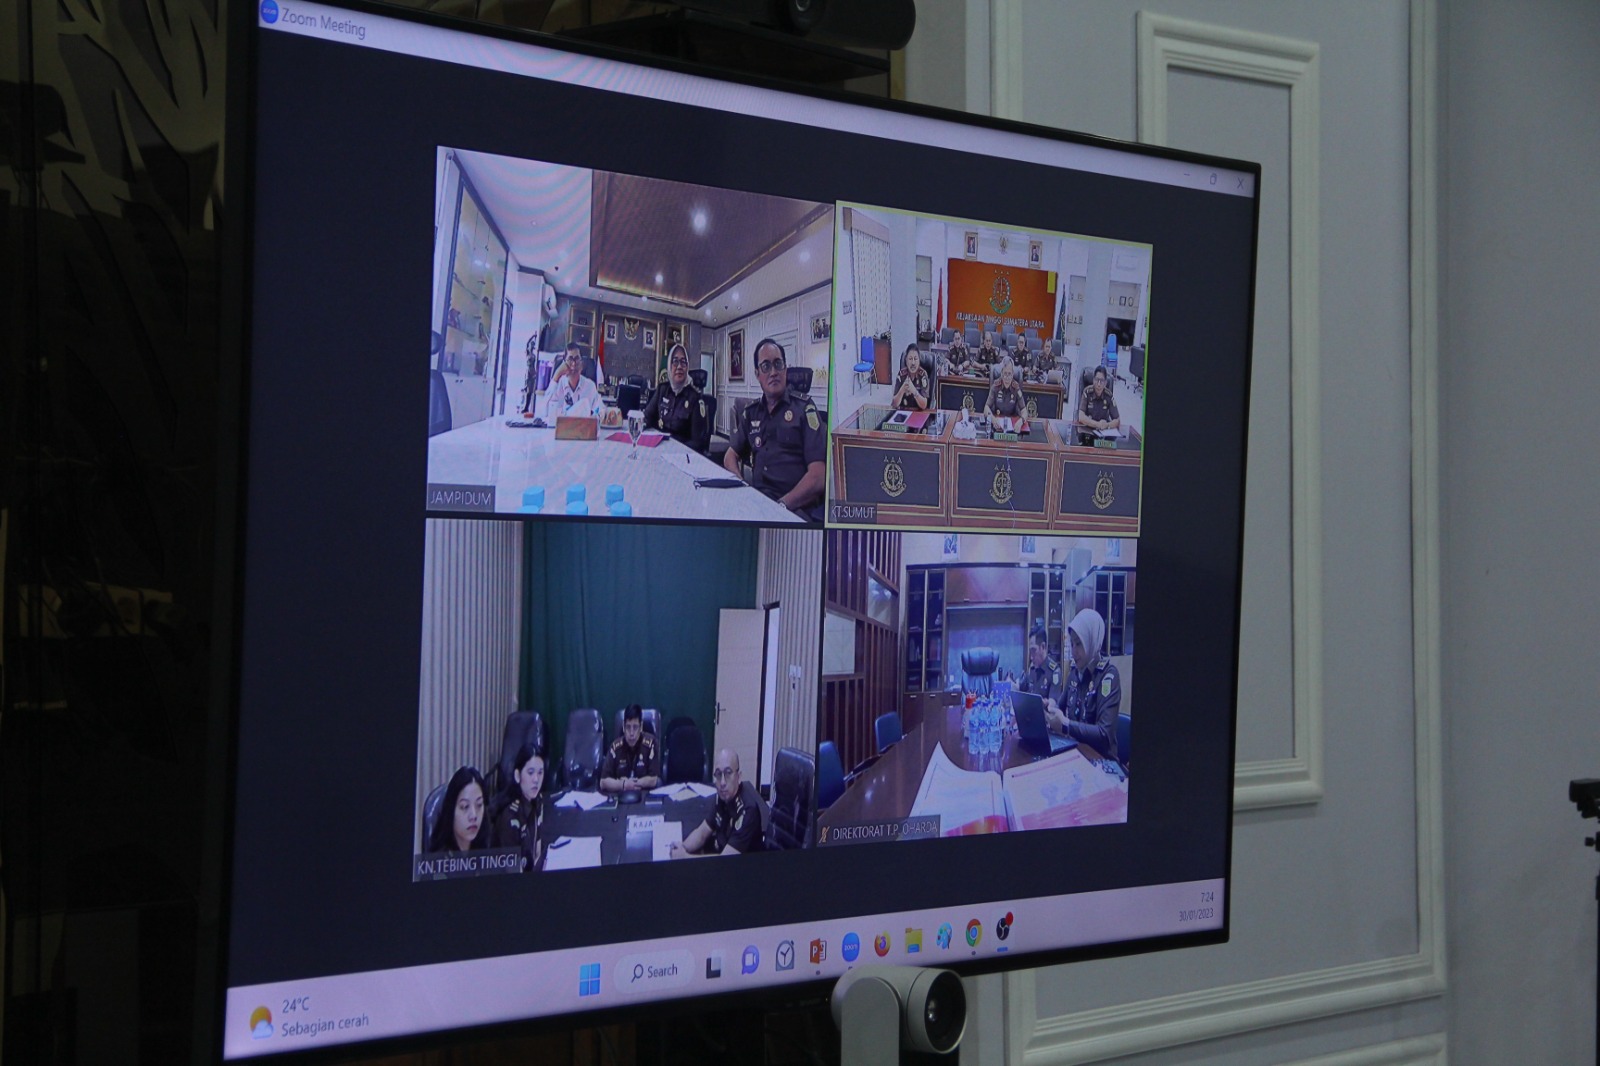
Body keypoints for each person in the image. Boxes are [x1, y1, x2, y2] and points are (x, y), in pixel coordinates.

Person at [723, 338, 825, 521]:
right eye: (766, 366)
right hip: (757, 503)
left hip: (794, 508)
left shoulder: (805, 409)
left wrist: (781, 506)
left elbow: (818, 476)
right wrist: (741, 486)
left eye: (778, 364)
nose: (773, 372)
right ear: (757, 374)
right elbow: (730, 456)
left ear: (785, 369)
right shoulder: (751, 413)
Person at [1044, 608, 1122, 763]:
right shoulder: (1074, 673)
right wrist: (1049, 708)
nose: (1074, 651)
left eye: (1079, 644)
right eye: (1072, 644)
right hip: (1077, 755)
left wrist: (1066, 725)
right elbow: (1060, 708)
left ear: (1092, 641)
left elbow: (1104, 734)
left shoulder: (1108, 676)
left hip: (1102, 761)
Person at [669, 749, 764, 857]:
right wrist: (683, 847)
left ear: (739, 777)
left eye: (728, 773)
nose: (722, 782)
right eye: (718, 774)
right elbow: (702, 832)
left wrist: (685, 857)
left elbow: (725, 860)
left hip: (741, 865)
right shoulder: (722, 797)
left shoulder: (748, 810)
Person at [642, 343, 710, 453]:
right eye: (675, 361)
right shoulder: (662, 390)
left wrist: (673, 450)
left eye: (683, 362)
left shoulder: (696, 399)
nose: (679, 367)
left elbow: (697, 443)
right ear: (669, 365)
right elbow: (647, 417)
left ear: (687, 367)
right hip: (658, 449)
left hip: (680, 455)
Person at [492, 744, 545, 871]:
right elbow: (512, 871)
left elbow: (537, 851)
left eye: (540, 773)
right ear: (517, 776)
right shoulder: (510, 817)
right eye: (530, 773)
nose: (536, 779)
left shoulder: (537, 800)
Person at [599, 703, 660, 794]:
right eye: (628, 727)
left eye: (635, 727)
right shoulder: (615, 747)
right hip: (621, 794)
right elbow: (603, 782)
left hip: (644, 794)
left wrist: (632, 784)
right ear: (623, 727)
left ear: (641, 727)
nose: (631, 733)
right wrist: (623, 784)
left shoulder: (651, 743)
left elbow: (654, 779)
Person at [429, 766, 489, 853]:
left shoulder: (488, 847)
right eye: (465, 806)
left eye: (479, 805)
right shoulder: (440, 858)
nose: (473, 815)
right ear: (451, 810)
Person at [542, 342, 602, 421]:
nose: (573, 364)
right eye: (570, 359)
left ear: (581, 362)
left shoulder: (590, 386)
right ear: (564, 362)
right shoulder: (558, 384)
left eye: (577, 359)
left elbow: (600, 410)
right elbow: (545, 411)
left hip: (582, 428)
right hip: (561, 428)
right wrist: (557, 375)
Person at [1018, 625, 1065, 708]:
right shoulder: (1032, 668)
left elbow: (1053, 701)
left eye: (1034, 650)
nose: (1031, 657)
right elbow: (1021, 688)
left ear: (1043, 647)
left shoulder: (1054, 671)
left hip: (1044, 715)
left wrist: (1047, 703)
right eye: (1030, 651)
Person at [1076, 365, 1121, 443]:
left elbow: (1117, 420)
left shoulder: (1108, 395)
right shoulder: (1087, 392)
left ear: (1105, 382)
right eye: (1097, 380)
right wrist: (1097, 424)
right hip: (1087, 432)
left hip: (1102, 434)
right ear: (1093, 380)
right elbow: (1081, 417)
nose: (1099, 384)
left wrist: (1107, 425)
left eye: (1102, 381)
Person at [891, 343, 931, 411]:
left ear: (919, 360)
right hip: (904, 412)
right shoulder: (901, 374)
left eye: (915, 359)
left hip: (919, 413)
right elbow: (894, 404)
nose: (913, 363)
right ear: (906, 360)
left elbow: (924, 405)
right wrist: (902, 390)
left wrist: (914, 391)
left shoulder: (923, 375)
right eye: (910, 359)